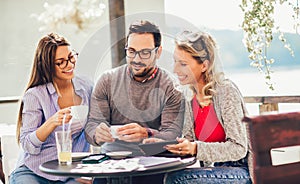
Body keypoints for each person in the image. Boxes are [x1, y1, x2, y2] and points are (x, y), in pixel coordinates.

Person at [84, 20, 184, 184]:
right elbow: (91, 127)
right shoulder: (107, 80)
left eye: (145, 52)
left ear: (158, 52)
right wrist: (97, 133)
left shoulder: (170, 86)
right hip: (111, 162)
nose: (136, 59)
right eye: (131, 51)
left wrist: (147, 133)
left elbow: (172, 134)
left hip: (152, 161)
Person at [146, 30, 252, 183]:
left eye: (183, 64)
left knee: (178, 180)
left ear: (204, 65)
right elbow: (188, 141)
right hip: (213, 171)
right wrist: (163, 144)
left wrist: (196, 149)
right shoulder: (190, 97)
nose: (175, 69)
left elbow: (239, 148)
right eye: (175, 61)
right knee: (154, 176)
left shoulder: (226, 92)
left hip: (241, 171)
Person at [10, 33, 93, 184]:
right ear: (47, 65)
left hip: (70, 173)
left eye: (71, 57)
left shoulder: (86, 87)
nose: (69, 64)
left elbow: (96, 126)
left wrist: (85, 171)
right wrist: (51, 122)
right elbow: (27, 144)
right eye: (61, 62)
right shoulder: (35, 95)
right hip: (34, 171)